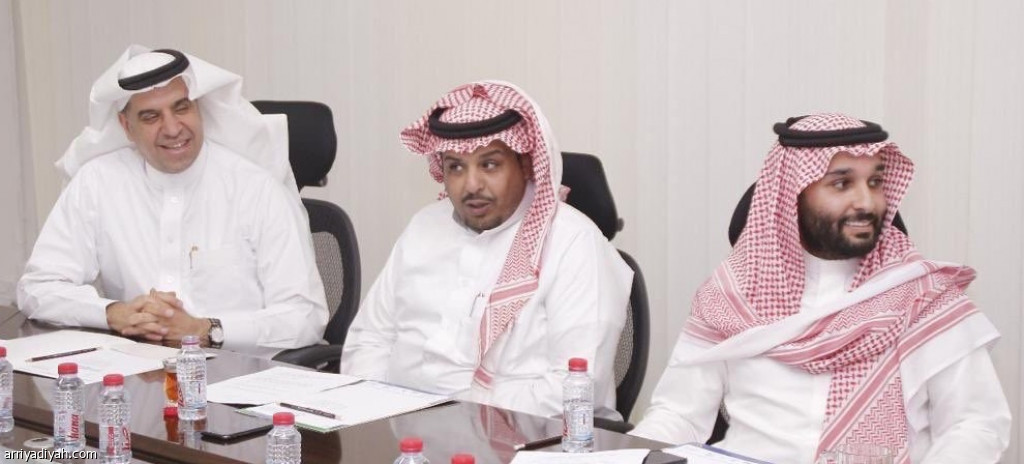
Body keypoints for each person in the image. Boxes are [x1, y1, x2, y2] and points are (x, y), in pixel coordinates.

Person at [631, 113, 1010, 463]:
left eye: (875, 182)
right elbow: (678, 414)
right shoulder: (732, 294)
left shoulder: (924, 298)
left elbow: (974, 426)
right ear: (791, 196)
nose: (866, 202)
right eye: (842, 184)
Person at [340, 81, 632, 419]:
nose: (472, 185)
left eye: (489, 164)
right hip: (396, 427)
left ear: (525, 164)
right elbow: (369, 341)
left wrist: (454, 413)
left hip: (521, 434)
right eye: (455, 167)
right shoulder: (424, 226)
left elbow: (574, 388)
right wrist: (379, 414)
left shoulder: (572, 243)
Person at [17, 45, 328, 357]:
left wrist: (206, 330)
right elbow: (37, 287)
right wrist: (112, 313)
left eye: (181, 108)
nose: (172, 128)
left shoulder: (256, 188)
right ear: (126, 127)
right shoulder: (98, 182)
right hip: (139, 371)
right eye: (151, 116)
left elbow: (306, 317)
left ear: (199, 108)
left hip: (239, 373)